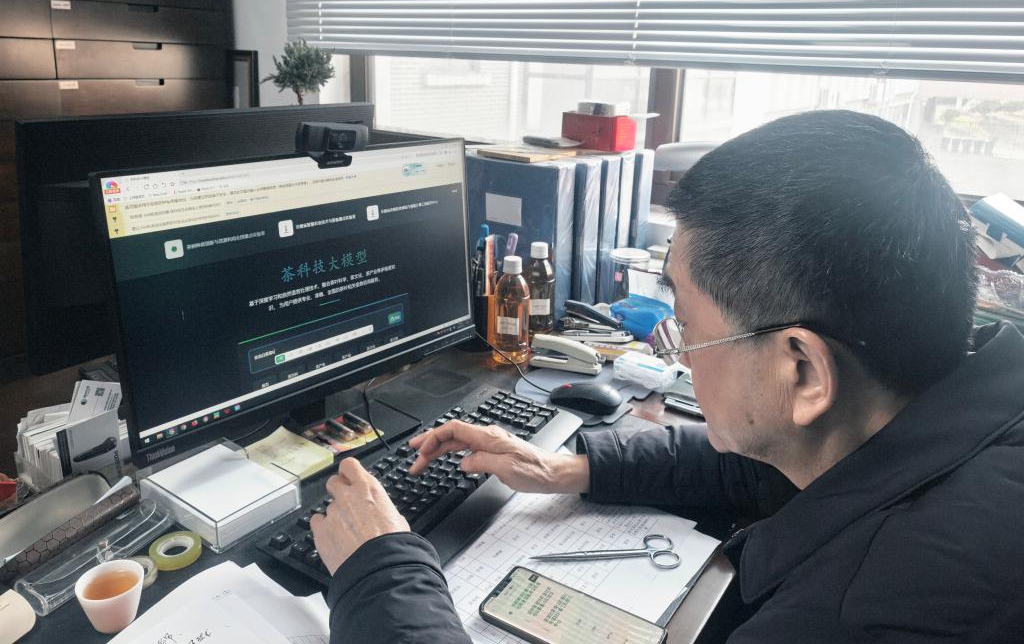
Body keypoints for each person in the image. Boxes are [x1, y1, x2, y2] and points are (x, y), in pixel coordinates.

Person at [311, 110, 1024, 643]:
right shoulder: (959, 412)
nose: (679, 355)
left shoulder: (868, 612)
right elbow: (778, 461)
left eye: (685, 326)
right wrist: (567, 468)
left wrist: (381, 572)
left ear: (803, 370)